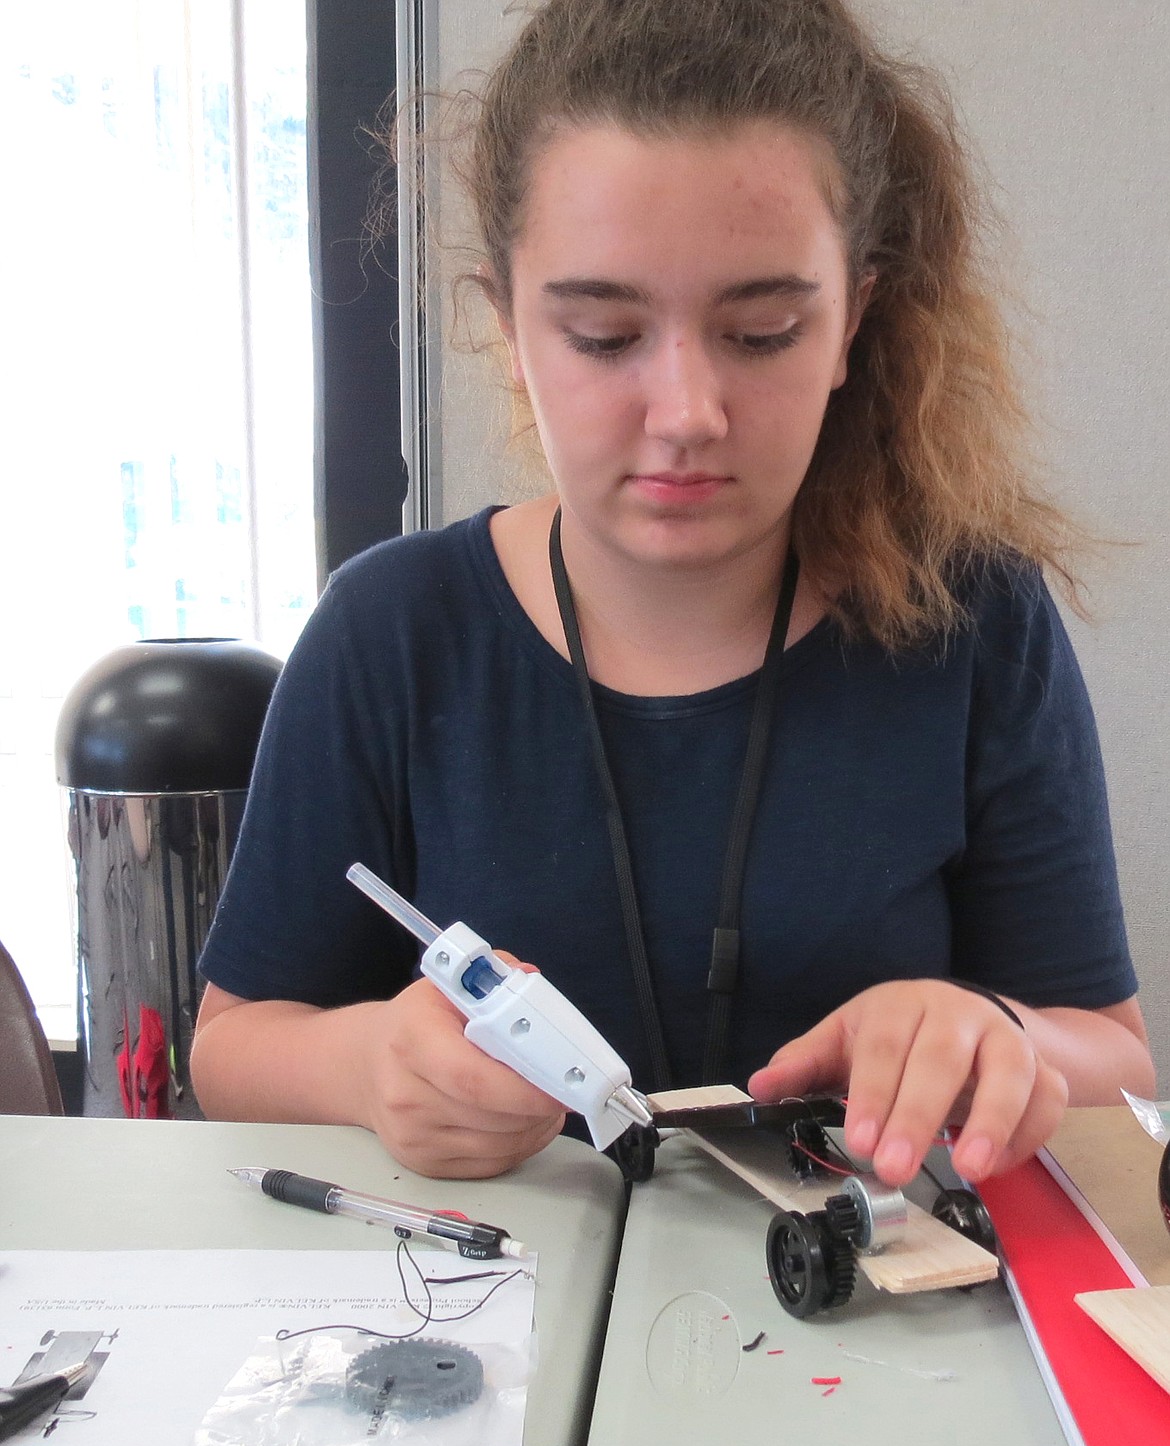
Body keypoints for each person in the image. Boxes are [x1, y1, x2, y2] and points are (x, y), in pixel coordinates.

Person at [191, 0, 1154, 1185]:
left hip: (883, 1322)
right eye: (603, 334)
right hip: (494, 1318)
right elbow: (232, 1046)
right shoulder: (391, 632)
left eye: (762, 333)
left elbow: (1113, 1054)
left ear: (852, 319)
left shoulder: (974, 623)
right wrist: (372, 1063)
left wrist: (996, 1041)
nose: (688, 413)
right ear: (507, 321)